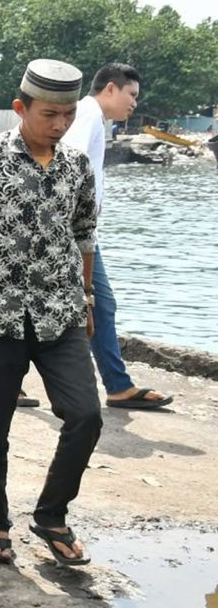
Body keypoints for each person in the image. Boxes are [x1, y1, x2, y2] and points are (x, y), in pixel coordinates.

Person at [0, 59, 101, 566]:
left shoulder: (76, 166)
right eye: (49, 114)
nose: (60, 124)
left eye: (68, 115)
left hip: (61, 312)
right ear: (20, 108)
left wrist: (87, 298)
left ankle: (51, 515)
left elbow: (84, 234)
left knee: (86, 416)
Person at [60, 63, 175, 410]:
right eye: (132, 94)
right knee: (92, 304)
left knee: (95, 305)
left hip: (79, 229)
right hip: (73, 230)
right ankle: (117, 385)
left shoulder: (93, 117)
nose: (135, 103)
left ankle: (117, 385)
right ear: (110, 88)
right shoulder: (88, 114)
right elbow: (71, 163)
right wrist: (75, 226)